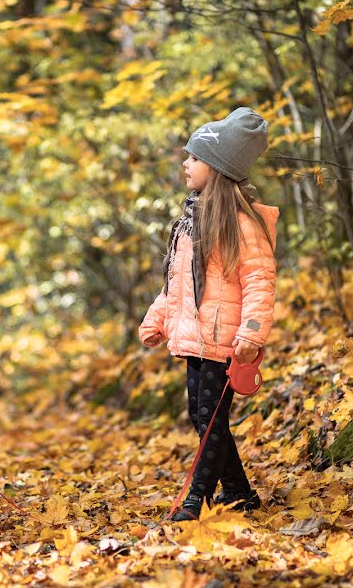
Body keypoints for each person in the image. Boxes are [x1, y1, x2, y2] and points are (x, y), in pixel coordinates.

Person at [139, 107, 279, 521]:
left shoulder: (240, 224)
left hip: (224, 340)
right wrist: (158, 318)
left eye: (195, 157)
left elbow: (259, 282)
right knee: (202, 418)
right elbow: (176, 284)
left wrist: (252, 333)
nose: (186, 163)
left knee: (210, 420)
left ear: (217, 167)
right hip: (195, 337)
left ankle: (192, 502)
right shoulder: (190, 221)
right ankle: (238, 492)